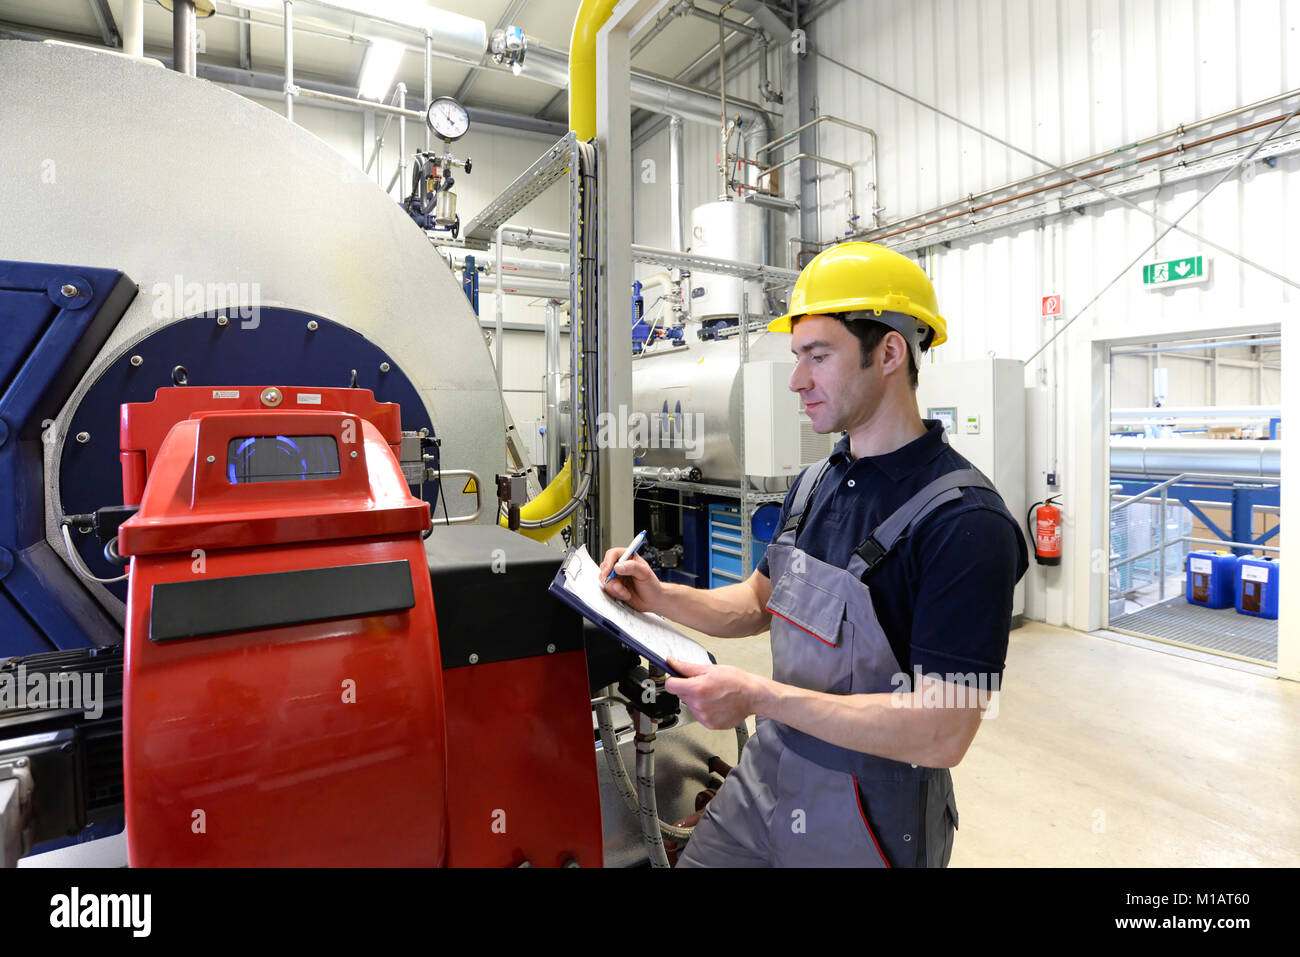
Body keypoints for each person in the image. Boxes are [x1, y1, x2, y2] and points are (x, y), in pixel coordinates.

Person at [599, 242, 1028, 868]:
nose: (797, 380)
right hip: (767, 774)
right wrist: (660, 596)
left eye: (818, 356)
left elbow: (944, 732)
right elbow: (756, 602)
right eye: (797, 357)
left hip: (869, 811)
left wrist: (758, 697)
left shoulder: (966, 524)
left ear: (888, 352)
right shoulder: (816, 483)